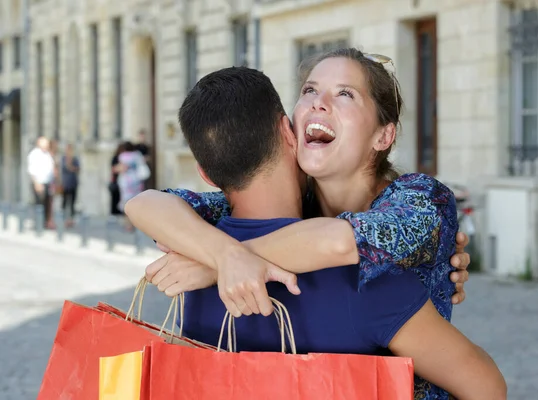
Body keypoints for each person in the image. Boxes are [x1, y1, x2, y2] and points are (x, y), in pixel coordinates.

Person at [126, 66, 506, 400]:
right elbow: (486, 386)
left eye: (344, 93)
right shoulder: (367, 279)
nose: (319, 104)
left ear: (205, 174)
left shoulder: (195, 253)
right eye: (309, 90)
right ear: (288, 132)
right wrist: (230, 260)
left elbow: (145, 203)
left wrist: (223, 261)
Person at [117, 141, 148, 231]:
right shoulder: (137, 155)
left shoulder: (123, 156)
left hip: (126, 182)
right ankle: (138, 223)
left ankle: (129, 224)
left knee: (126, 204)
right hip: (137, 182)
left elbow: (122, 168)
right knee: (137, 202)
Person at [27, 136, 55, 229]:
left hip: (48, 182)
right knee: (39, 204)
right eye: (45, 143)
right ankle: (38, 223)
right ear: (39, 143)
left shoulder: (47, 154)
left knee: (48, 203)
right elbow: (32, 170)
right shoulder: (34, 154)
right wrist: (36, 183)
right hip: (39, 182)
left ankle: (45, 222)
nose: (47, 145)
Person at [60, 143, 80, 227]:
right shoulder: (63, 159)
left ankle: (71, 219)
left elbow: (77, 169)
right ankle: (64, 219)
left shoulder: (75, 159)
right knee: (64, 202)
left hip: (73, 183)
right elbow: (64, 168)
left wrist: (71, 167)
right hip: (65, 183)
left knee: (72, 202)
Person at [109, 142, 125, 215]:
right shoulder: (116, 158)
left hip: (122, 181)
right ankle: (114, 213)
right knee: (115, 198)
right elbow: (113, 169)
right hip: (116, 181)